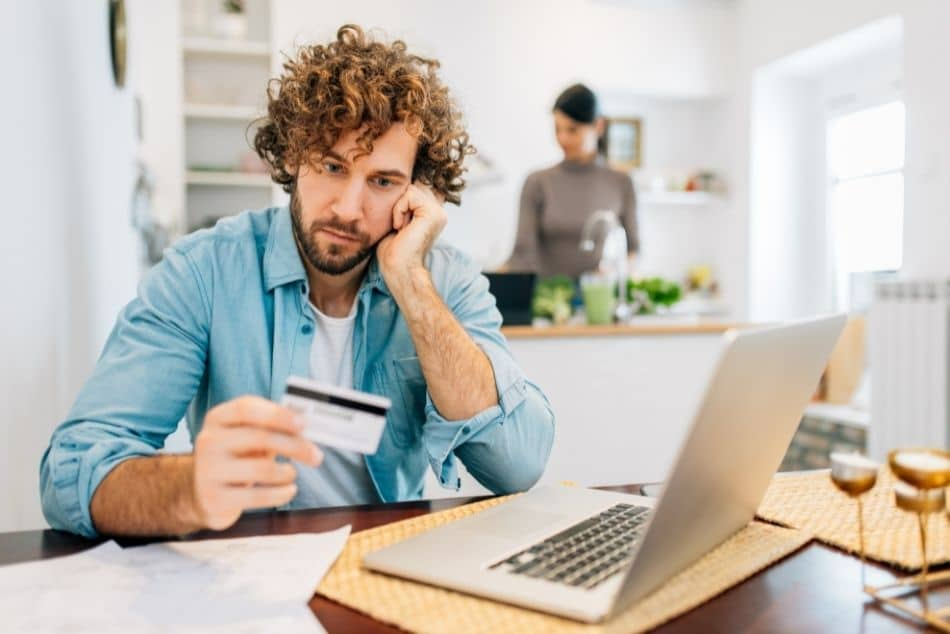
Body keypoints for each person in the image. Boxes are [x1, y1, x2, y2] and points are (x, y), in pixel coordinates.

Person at [40, 25, 555, 538]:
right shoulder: (205, 272)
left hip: (383, 566)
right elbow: (70, 473)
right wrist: (187, 487)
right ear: (291, 154)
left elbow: (519, 463)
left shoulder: (444, 281)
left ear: (417, 192)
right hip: (243, 572)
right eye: (332, 166)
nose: (348, 209)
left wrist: (411, 285)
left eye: (382, 181)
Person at [507, 83, 639, 279]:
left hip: (597, 299)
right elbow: (521, 255)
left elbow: (633, 251)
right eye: (557, 129)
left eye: (572, 130)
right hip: (547, 301)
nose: (563, 138)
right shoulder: (537, 182)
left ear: (598, 126)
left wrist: (612, 273)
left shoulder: (621, 182)